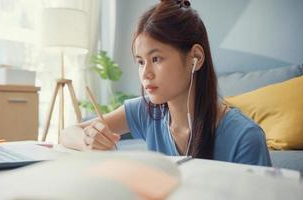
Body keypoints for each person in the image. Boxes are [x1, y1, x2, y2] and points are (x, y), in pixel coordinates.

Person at [61, 0, 271, 166]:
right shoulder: (146, 111)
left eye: (156, 59)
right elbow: (67, 133)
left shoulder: (245, 137)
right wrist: (88, 140)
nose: (146, 74)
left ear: (195, 57)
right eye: (141, 62)